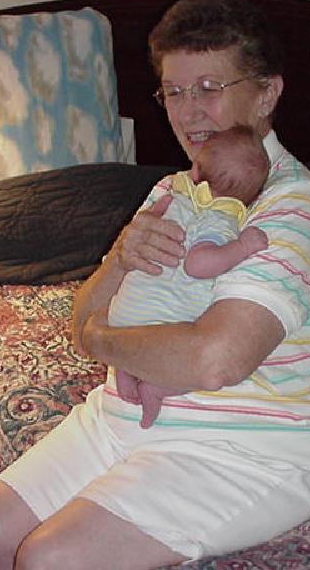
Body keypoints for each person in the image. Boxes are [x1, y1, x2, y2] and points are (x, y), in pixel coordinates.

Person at [0, 0, 310, 570]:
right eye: (174, 92)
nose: (189, 113)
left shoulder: (294, 206)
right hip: (128, 416)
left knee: (52, 558)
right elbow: (82, 316)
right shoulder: (171, 190)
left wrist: (100, 339)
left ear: (266, 93)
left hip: (254, 444)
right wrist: (120, 257)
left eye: (209, 88)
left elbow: (214, 360)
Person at [111, 124, 270, 428]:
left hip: (126, 310)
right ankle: (157, 387)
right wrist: (242, 247)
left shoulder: (176, 198)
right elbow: (197, 264)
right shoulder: (219, 218)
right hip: (160, 322)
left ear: (195, 172)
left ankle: (124, 367)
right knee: (199, 366)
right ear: (251, 198)